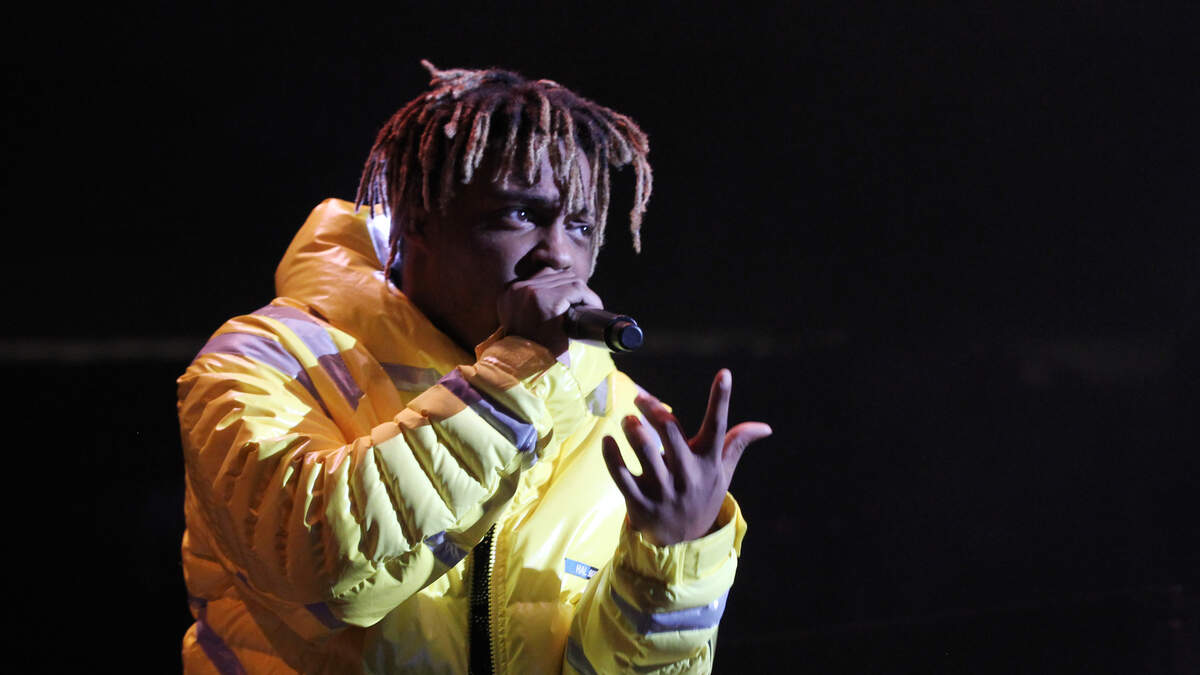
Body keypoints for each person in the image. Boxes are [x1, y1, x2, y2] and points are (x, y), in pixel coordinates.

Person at [178, 60, 771, 674]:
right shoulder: (264, 360)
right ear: (419, 219)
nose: (557, 255)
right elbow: (321, 577)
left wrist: (670, 562)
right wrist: (510, 376)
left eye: (580, 225)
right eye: (521, 215)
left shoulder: (624, 419)